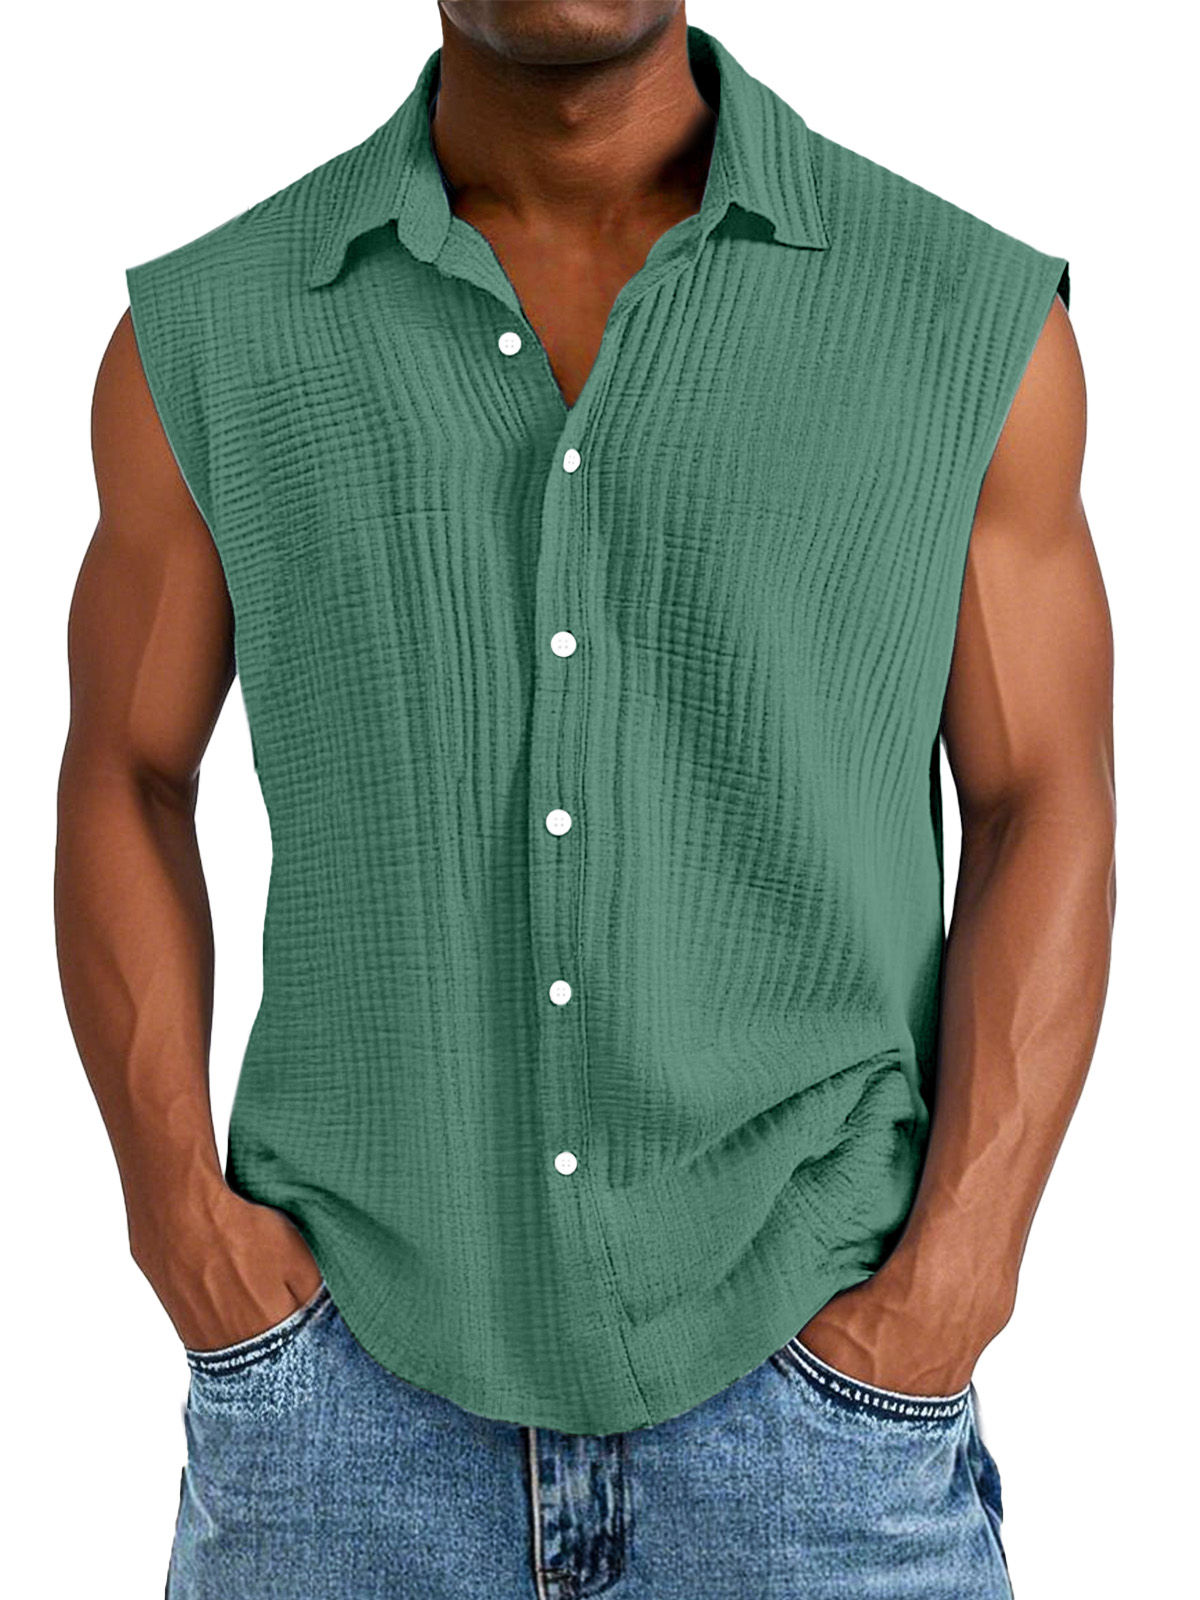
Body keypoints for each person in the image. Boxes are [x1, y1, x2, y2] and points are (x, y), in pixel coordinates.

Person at [55, 3, 1114, 1595]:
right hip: (340, 1421)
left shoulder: (961, 313)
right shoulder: (211, 331)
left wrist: (959, 1273)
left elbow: (1042, 795)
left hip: (819, 1424)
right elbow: (127, 771)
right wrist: (178, 1226)